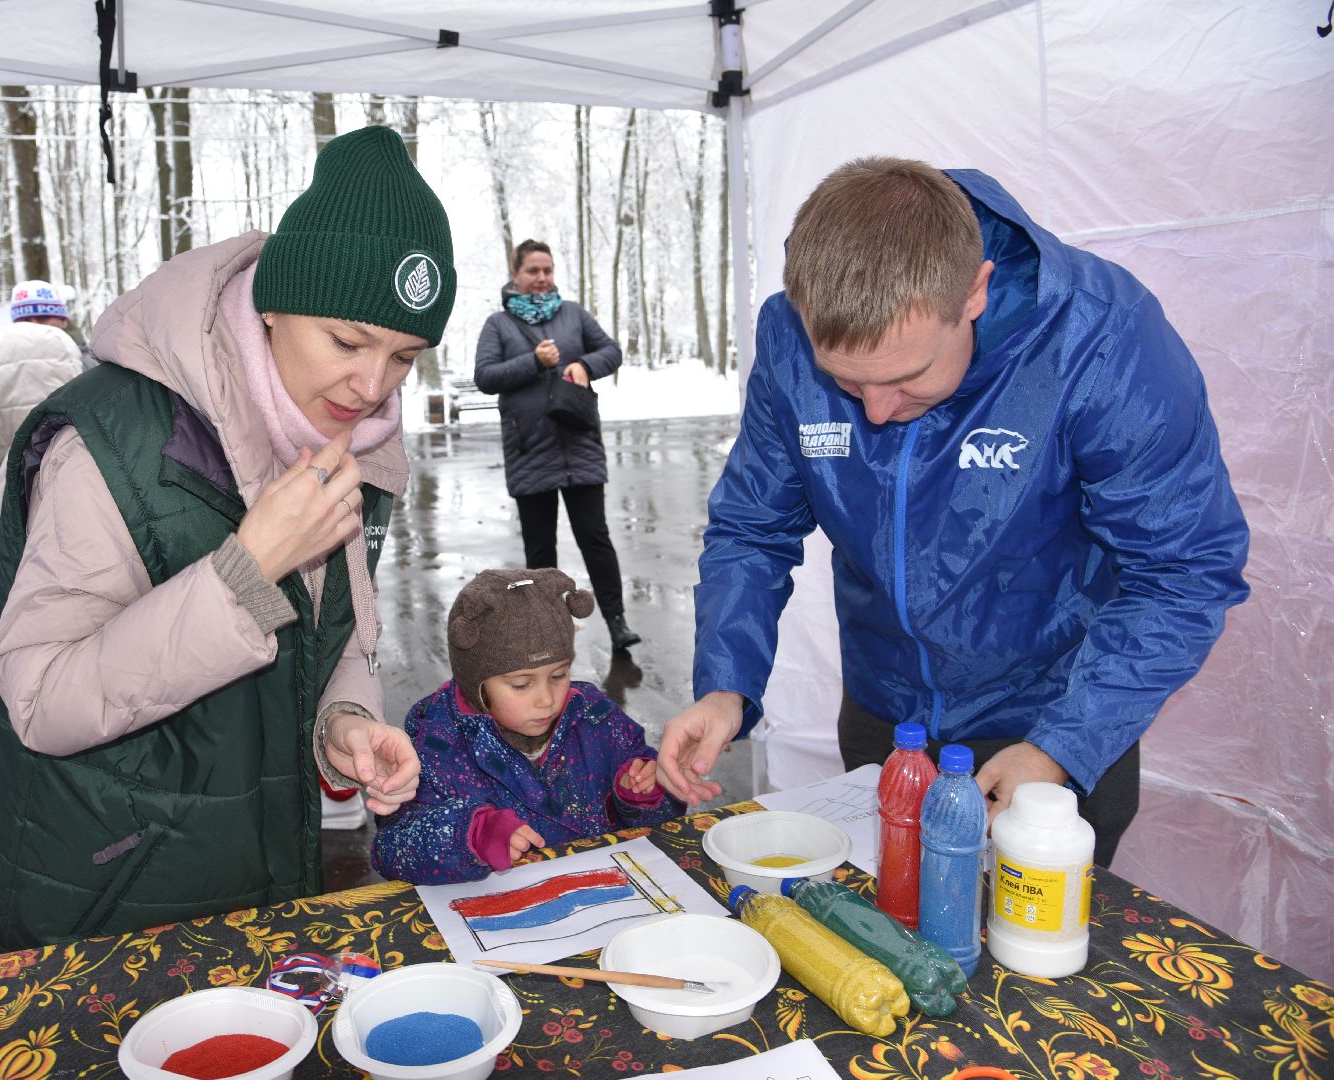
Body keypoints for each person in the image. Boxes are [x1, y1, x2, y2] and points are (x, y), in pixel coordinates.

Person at [0, 125, 447, 958]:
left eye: (405, 356)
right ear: (273, 304)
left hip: (245, 868)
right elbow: (36, 697)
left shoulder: (357, 439)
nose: (372, 385)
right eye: (348, 342)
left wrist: (345, 717)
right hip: (87, 895)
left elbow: (337, 629)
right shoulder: (113, 440)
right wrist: (247, 573)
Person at [659, 157, 1249, 867]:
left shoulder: (1101, 339)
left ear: (975, 291)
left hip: (1053, 720)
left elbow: (1183, 573)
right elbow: (754, 526)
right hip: (886, 718)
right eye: (845, 382)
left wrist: (1063, 746)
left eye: (906, 377)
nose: (875, 411)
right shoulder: (788, 332)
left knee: (1031, 962)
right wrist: (727, 684)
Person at [372, 568, 682, 885]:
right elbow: (391, 850)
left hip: (605, 893)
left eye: (559, 675)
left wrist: (645, 796)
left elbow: (666, 818)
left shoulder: (598, 720)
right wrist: (469, 835)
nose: (546, 698)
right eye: (521, 685)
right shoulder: (438, 744)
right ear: (475, 685)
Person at [474, 240, 641, 652]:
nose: (542, 278)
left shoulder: (573, 314)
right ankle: (547, 627)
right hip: (530, 449)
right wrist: (534, 361)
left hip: (579, 443)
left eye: (547, 270)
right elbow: (485, 376)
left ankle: (617, 622)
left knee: (595, 539)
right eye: (533, 270)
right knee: (540, 548)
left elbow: (611, 351)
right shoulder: (499, 324)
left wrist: (584, 365)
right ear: (516, 274)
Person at [0, 278, 84, 481]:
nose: (36, 327)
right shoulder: (76, 351)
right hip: (70, 470)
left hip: (6, 474)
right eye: (29, 319)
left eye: (44, 319)